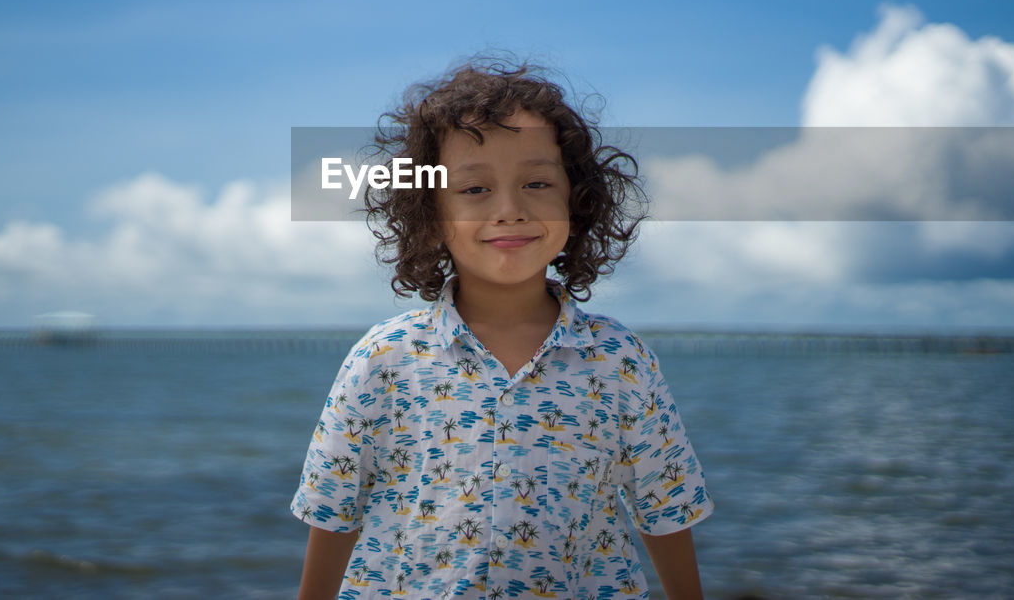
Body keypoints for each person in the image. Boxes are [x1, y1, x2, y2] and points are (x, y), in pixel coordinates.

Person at [292, 59, 712, 599]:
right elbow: (333, 509)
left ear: (577, 201)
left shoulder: (619, 360)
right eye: (474, 190)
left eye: (537, 183)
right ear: (430, 213)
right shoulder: (383, 358)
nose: (510, 210)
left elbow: (666, 506)